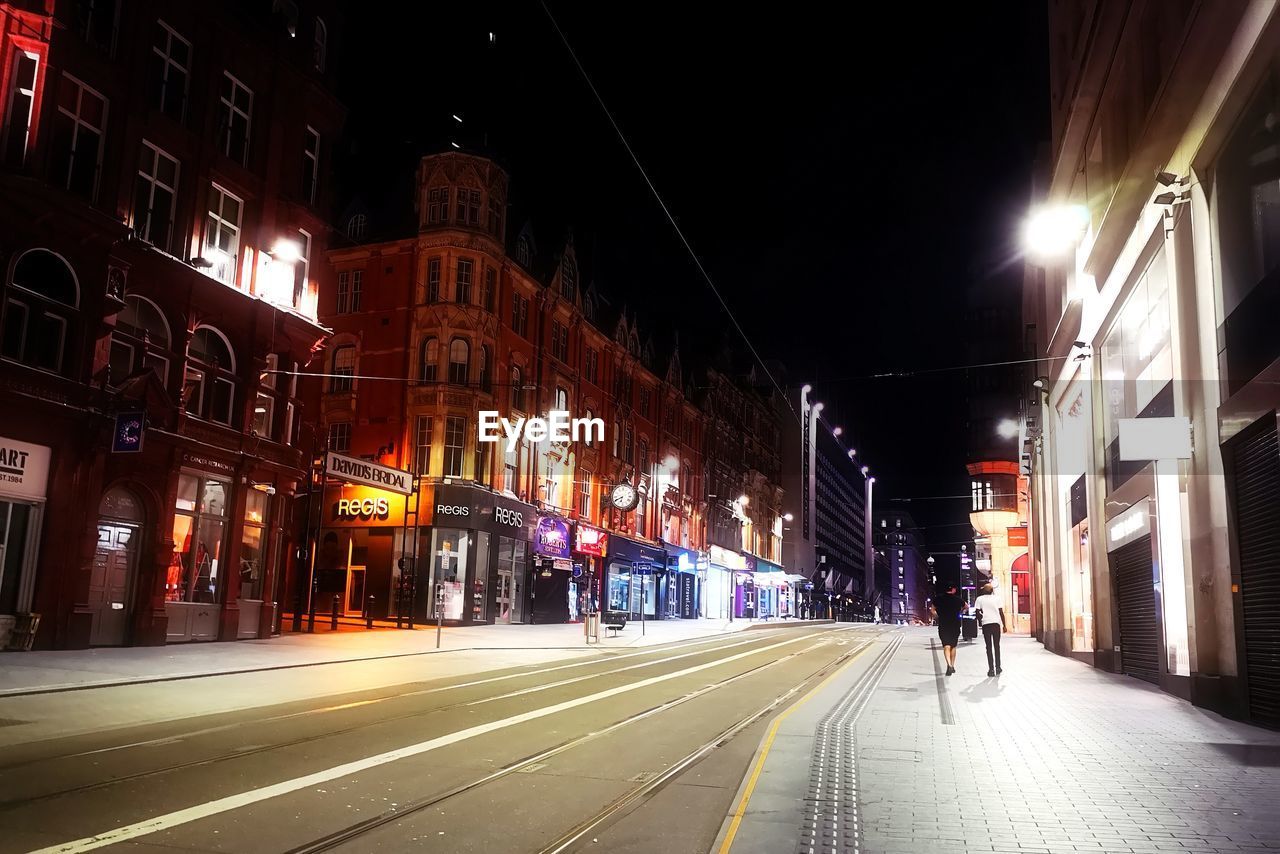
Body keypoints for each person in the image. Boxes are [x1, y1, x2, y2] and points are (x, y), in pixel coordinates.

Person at [973, 583, 1008, 677]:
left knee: (988, 647)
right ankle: (998, 667)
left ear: (984, 590)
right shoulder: (997, 598)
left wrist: (981, 620)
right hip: (996, 624)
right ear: (992, 591)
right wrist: (1004, 625)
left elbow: (977, 613)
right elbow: (1001, 612)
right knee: (997, 646)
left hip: (986, 624)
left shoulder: (979, 599)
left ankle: (991, 669)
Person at [931, 584, 965, 676]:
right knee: (953, 646)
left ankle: (949, 665)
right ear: (953, 589)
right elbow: (966, 606)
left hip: (943, 624)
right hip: (955, 624)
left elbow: (932, 609)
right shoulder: (958, 599)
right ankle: (952, 666)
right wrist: (960, 611)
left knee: (946, 645)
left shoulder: (938, 598)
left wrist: (936, 616)